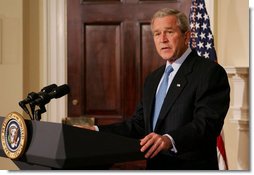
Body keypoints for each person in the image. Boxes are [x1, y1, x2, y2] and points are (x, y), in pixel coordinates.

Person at [77, 8, 230, 170]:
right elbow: (138, 125)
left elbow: (206, 124)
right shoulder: (153, 78)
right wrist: (95, 130)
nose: (163, 39)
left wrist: (169, 139)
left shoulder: (209, 72)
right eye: (157, 34)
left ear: (186, 36)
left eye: (169, 32)